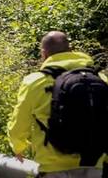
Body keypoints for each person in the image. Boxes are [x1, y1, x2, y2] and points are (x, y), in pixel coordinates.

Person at [8, 31, 108, 177]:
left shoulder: (35, 81)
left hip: (54, 165)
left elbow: (20, 122)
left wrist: (18, 146)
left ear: (44, 54)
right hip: (93, 161)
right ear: (70, 50)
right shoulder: (100, 78)